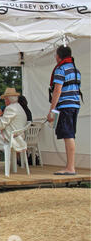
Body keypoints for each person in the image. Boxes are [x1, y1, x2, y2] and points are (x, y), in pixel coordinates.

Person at [47, 45, 82, 175]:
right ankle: (70, 166)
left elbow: (57, 90)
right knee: (71, 135)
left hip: (65, 106)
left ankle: (70, 167)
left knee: (68, 136)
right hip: (75, 105)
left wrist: (52, 109)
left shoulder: (61, 69)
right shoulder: (75, 70)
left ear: (58, 56)